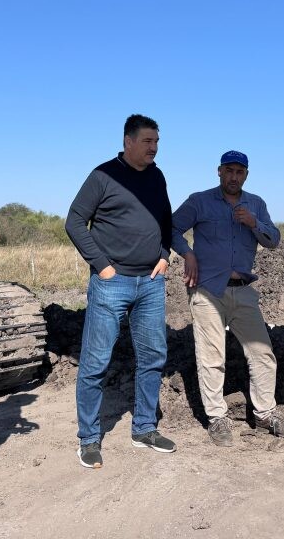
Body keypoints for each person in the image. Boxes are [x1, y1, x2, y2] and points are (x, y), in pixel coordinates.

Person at [65, 114, 176, 469]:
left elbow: (166, 220)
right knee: (96, 361)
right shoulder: (103, 176)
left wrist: (164, 255)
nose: (154, 148)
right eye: (147, 141)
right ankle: (88, 439)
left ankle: (144, 428)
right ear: (128, 141)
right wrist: (102, 266)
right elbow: (74, 221)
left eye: (156, 142)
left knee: (153, 356)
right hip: (112, 283)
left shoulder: (157, 176)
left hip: (151, 283)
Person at [171, 150, 284, 446]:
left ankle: (265, 414)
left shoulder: (256, 204)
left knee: (262, 353)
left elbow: (274, 240)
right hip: (207, 289)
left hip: (243, 290)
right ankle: (217, 418)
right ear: (219, 171)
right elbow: (172, 228)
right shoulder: (199, 201)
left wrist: (254, 223)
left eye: (239, 172)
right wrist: (187, 253)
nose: (233, 176)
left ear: (246, 175)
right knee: (212, 357)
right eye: (228, 170)